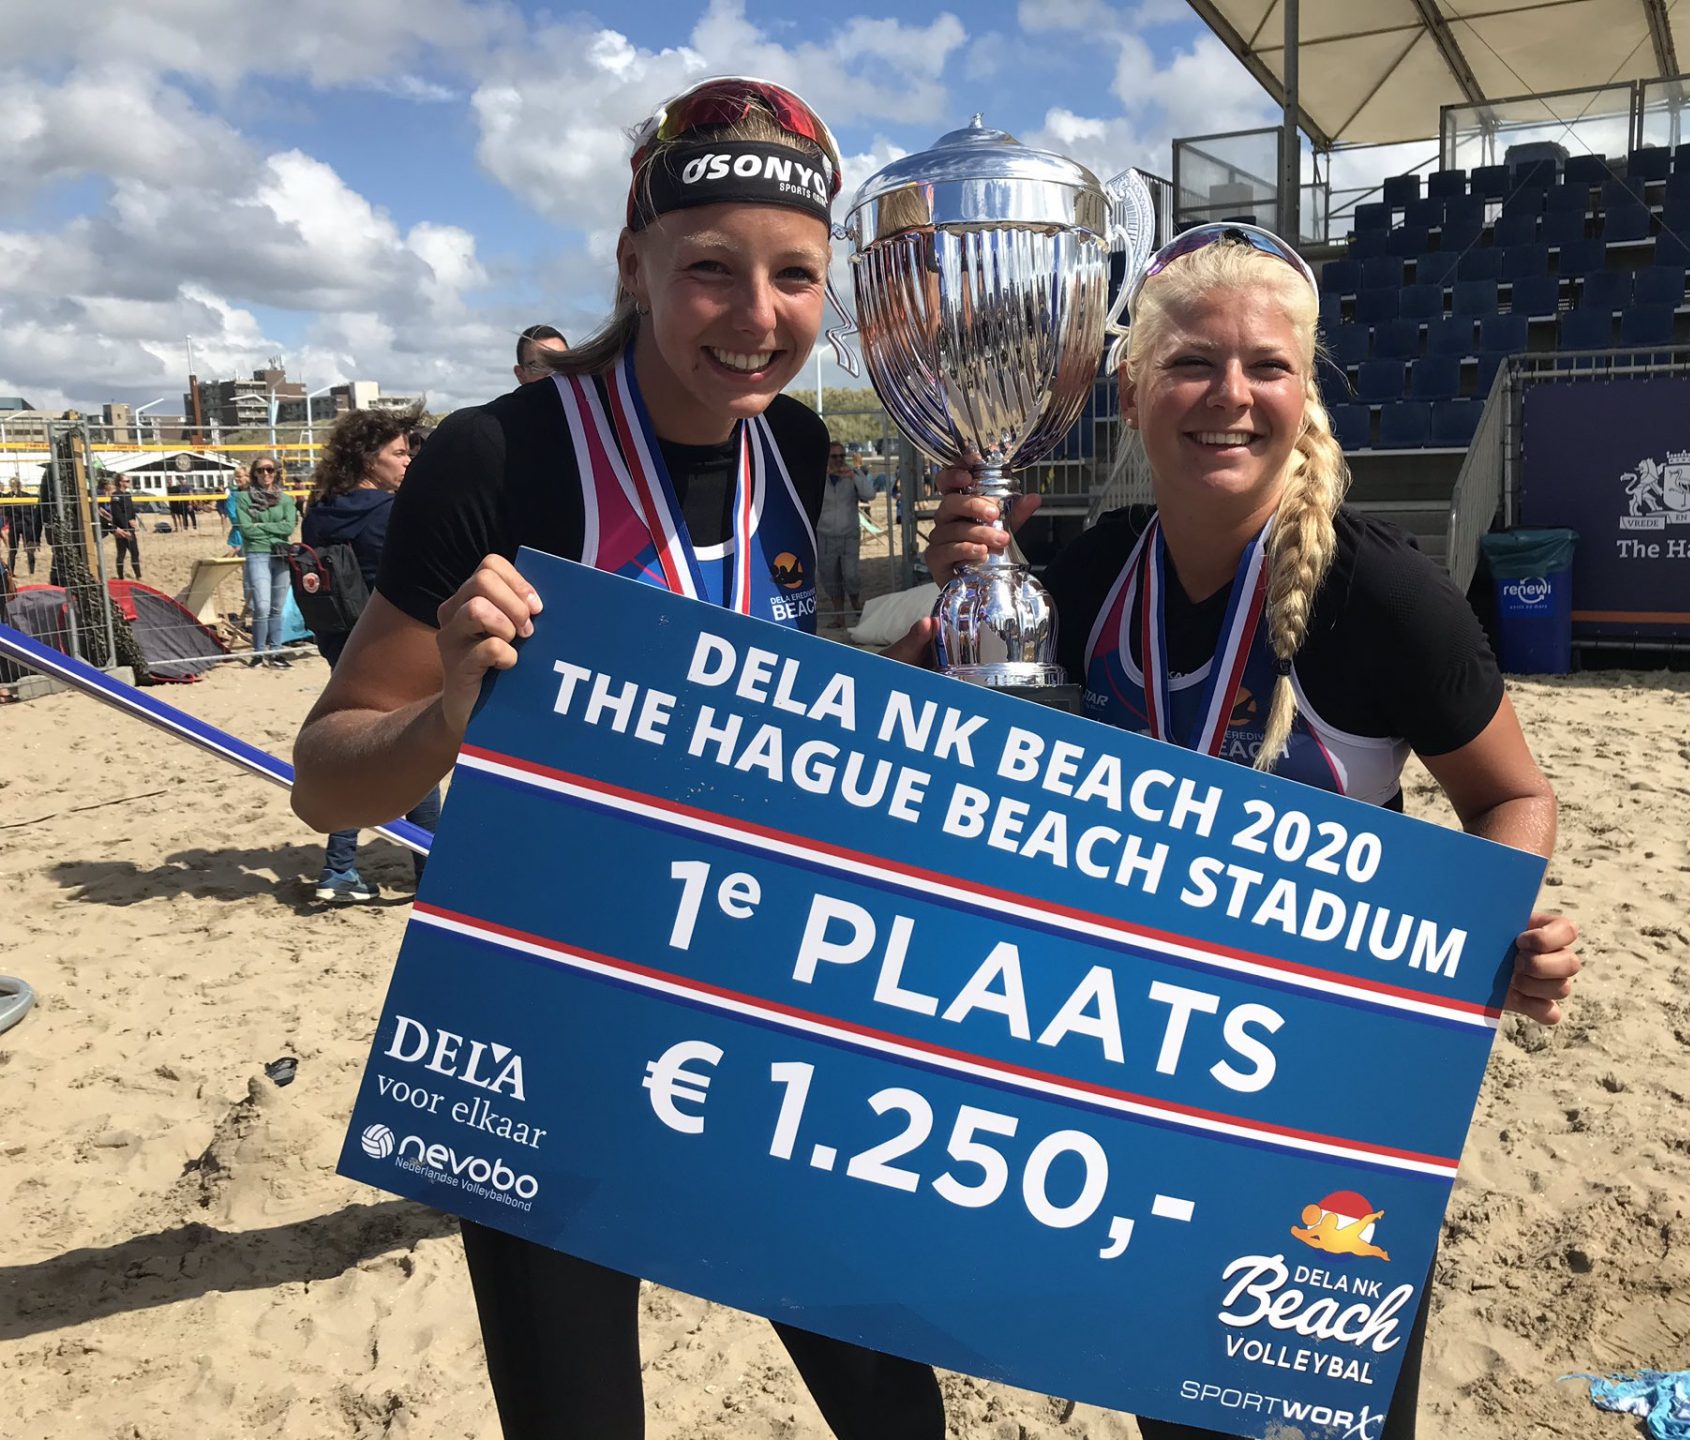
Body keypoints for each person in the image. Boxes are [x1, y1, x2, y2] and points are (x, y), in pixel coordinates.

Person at [292, 76, 949, 1440]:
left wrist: (933, 650)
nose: (756, 318)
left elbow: (770, 703)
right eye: (711, 272)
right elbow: (326, 775)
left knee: (895, 1409)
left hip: (773, 1006)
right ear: (634, 265)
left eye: (793, 278)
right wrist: (448, 719)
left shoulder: (804, 446)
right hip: (552, 1020)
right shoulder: (496, 455)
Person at [927, 223, 1582, 1440]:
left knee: (1321, 1417)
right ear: (1132, 389)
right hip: (1128, 1072)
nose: (1229, 395)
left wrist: (1494, 928)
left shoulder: (1384, 598)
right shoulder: (1082, 575)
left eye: (1266, 366)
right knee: (1174, 1401)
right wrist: (957, 603)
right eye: (1190, 363)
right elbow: (947, 747)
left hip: (1331, 1085)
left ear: (1304, 389)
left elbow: (1510, 794)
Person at [301, 403, 438, 904]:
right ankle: (431, 873)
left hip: (340, 644)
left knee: (360, 749)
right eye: (398, 453)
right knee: (414, 755)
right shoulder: (385, 513)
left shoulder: (319, 511)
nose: (407, 463)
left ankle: (340, 869)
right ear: (367, 458)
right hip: (389, 648)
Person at [234, 456, 298, 667]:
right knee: (261, 606)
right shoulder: (244, 498)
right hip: (258, 554)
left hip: (280, 555)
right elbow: (246, 530)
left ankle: (276, 652)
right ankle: (258, 652)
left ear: (276, 473)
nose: (265, 474)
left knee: (277, 607)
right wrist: (274, 530)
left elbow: (288, 528)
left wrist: (261, 527)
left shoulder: (286, 500)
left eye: (269, 470)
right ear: (254, 474)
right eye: (260, 471)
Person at [816, 441, 874, 628]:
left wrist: (855, 477)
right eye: (834, 456)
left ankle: (856, 605)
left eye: (842, 456)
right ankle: (839, 615)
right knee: (830, 577)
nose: (839, 460)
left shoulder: (853, 474)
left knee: (851, 574)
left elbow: (870, 495)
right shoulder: (816, 475)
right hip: (824, 534)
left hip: (849, 532)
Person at [106, 476, 143, 580]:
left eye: (129, 481)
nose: (129, 482)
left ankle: (138, 576)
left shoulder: (127, 494)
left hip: (129, 527)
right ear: (120, 482)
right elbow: (117, 514)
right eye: (126, 481)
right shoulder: (115, 496)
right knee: (121, 553)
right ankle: (121, 577)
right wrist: (125, 528)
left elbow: (130, 510)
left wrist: (133, 520)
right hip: (121, 529)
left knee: (135, 552)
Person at [5, 477, 41, 576]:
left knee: (29, 549)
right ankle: (11, 572)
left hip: (25, 524)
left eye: (14, 483)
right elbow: (5, 510)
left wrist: (30, 521)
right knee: (13, 550)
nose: (13, 485)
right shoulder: (7, 496)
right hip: (14, 525)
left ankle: (32, 572)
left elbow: (32, 511)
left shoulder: (27, 495)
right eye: (11, 483)